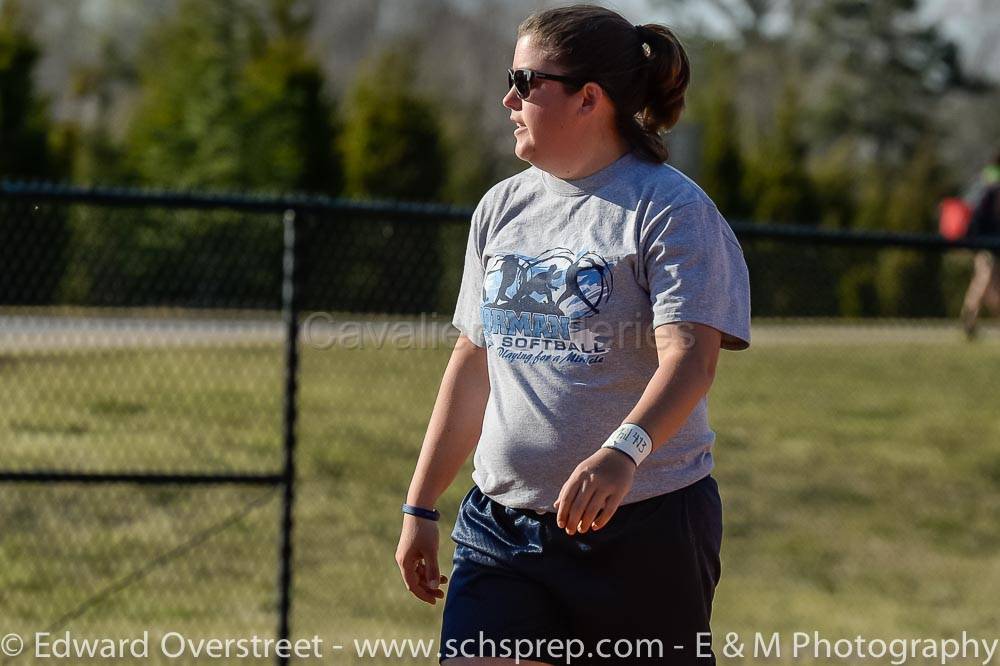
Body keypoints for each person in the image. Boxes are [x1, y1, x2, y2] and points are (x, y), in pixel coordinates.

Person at [395, 5, 751, 665]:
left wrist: (623, 452)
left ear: (590, 98)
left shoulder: (670, 210)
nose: (509, 98)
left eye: (527, 83)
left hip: (644, 533)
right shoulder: (502, 208)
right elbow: (473, 364)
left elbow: (691, 361)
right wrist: (420, 507)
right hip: (501, 534)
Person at [959, 150, 1000, 340]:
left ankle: (970, 317)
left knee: (989, 282)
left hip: (985, 238)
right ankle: (969, 317)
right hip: (987, 240)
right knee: (984, 279)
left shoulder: (986, 177)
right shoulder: (993, 181)